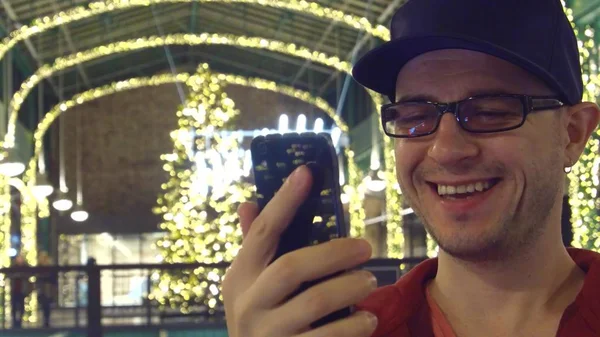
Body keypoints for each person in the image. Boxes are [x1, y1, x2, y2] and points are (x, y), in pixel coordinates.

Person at [222, 0, 600, 336]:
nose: (446, 150)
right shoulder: (351, 330)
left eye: (490, 111)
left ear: (572, 134)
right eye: (415, 116)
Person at [10, 253, 31, 328]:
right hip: (15, 289)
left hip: (22, 290)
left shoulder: (26, 267)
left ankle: (20, 321)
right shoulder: (13, 267)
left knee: (21, 306)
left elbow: (29, 275)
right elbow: (9, 275)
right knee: (14, 306)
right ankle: (14, 321)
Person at [36, 251, 55, 327]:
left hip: (48, 288)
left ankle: (47, 320)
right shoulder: (39, 267)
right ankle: (45, 320)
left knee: (47, 305)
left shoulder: (49, 267)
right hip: (43, 288)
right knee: (44, 305)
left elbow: (53, 278)